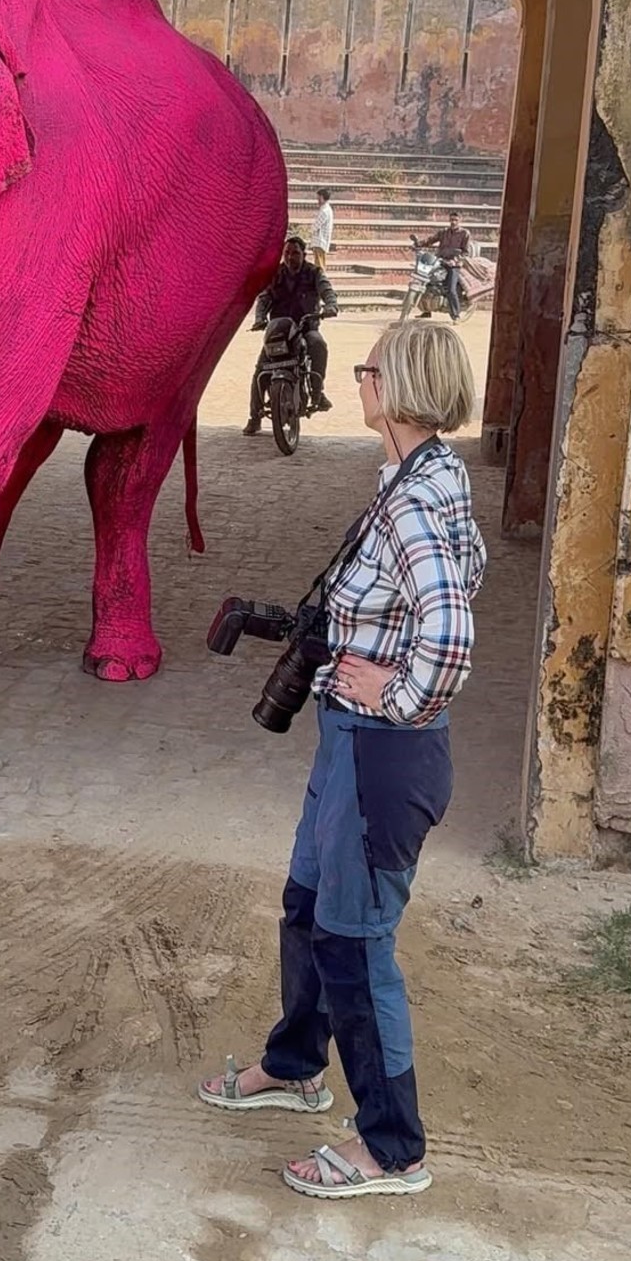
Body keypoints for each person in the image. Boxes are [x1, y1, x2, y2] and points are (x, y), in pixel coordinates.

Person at [200, 319, 486, 1201]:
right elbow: (452, 580)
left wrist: (393, 690)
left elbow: (450, 632)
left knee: (356, 945)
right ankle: (295, 1066)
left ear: (393, 388)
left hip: (382, 755)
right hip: (352, 748)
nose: (357, 379)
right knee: (308, 906)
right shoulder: (423, 476)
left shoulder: (412, 502)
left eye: (367, 368)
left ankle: (391, 1148)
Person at [244, 236, 338, 435]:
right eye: (286, 253)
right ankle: (255, 417)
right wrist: (260, 318)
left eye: (295, 253)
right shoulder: (275, 275)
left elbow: (327, 290)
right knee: (261, 369)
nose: (290, 257)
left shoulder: (314, 273)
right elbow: (264, 299)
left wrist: (331, 305)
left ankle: (317, 392)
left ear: (304, 254)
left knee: (318, 344)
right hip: (280, 331)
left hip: (305, 328)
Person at [418, 210, 475, 322]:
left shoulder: (465, 233)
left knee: (451, 289)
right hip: (440, 261)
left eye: (456, 220)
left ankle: (456, 315)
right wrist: (418, 244)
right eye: (451, 220)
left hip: (454, 265)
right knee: (426, 282)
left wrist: (455, 261)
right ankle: (426, 310)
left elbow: (465, 253)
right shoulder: (443, 232)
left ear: (460, 220)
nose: (453, 222)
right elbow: (430, 240)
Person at [309, 189, 333, 272]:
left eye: (319, 198)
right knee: (319, 263)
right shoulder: (325, 209)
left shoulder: (324, 211)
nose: (317, 200)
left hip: (320, 241)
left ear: (322, 197)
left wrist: (310, 230)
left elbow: (316, 226)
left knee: (319, 265)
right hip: (320, 241)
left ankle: (321, 279)